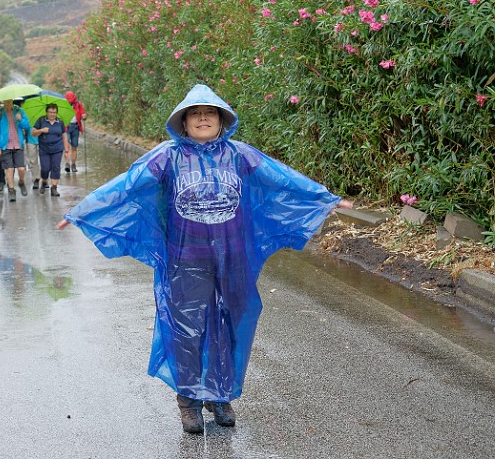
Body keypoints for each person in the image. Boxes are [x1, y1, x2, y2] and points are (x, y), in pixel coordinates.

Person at [57, 84, 352, 434]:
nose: (201, 118)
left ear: (221, 120)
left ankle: (220, 394)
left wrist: (323, 197)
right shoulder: (167, 157)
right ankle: (189, 400)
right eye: (194, 114)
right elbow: (127, 185)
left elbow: (281, 178)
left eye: (208, 113)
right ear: (183, 122)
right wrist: (82, 211)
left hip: (233, 257)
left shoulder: (240, 155)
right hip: (186, 257)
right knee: (186, 328)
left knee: (230, 323)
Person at [0, 98, 31, 202]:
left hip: (18, 144)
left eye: (10, 100)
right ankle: (11, 190)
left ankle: (21, 182)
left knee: (21, 168)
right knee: (9, 169)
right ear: (3, 101)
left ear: (12, 100)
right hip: (5, 146)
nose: (8, 103)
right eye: (6, 101)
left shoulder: (19, 111)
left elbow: (27, 125)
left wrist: (20, 120)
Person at [31, 103, 70, 197]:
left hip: (57, 149)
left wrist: (66, 150)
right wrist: (41, 130)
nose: (52, 114)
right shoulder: (41, 120)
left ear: (56, 113)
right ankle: (44, 182)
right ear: (47, 112)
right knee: (45, 168)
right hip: (44, 149)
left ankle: (54, 188)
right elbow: (33, 133)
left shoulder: (60, 122)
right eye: (50, 112)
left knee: (56, 167)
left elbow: (64, 136)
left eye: (54, 112)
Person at [15, 98, 41, 190]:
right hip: (30, 139)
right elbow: (23, 126)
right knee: (33, 161)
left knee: (45, 161)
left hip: (43, 139)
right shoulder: (23, 112)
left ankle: (45, 179)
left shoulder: (43, 111)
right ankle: (36, 179)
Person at [64, 91, 86, 173]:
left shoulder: (78, 104)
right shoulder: (63, 105)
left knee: (74, 147)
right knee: (66, 147)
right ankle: (67, 164)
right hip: (66, 127)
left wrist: (84, 116)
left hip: (76, 127)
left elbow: (83, 114)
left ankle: (73, 164)